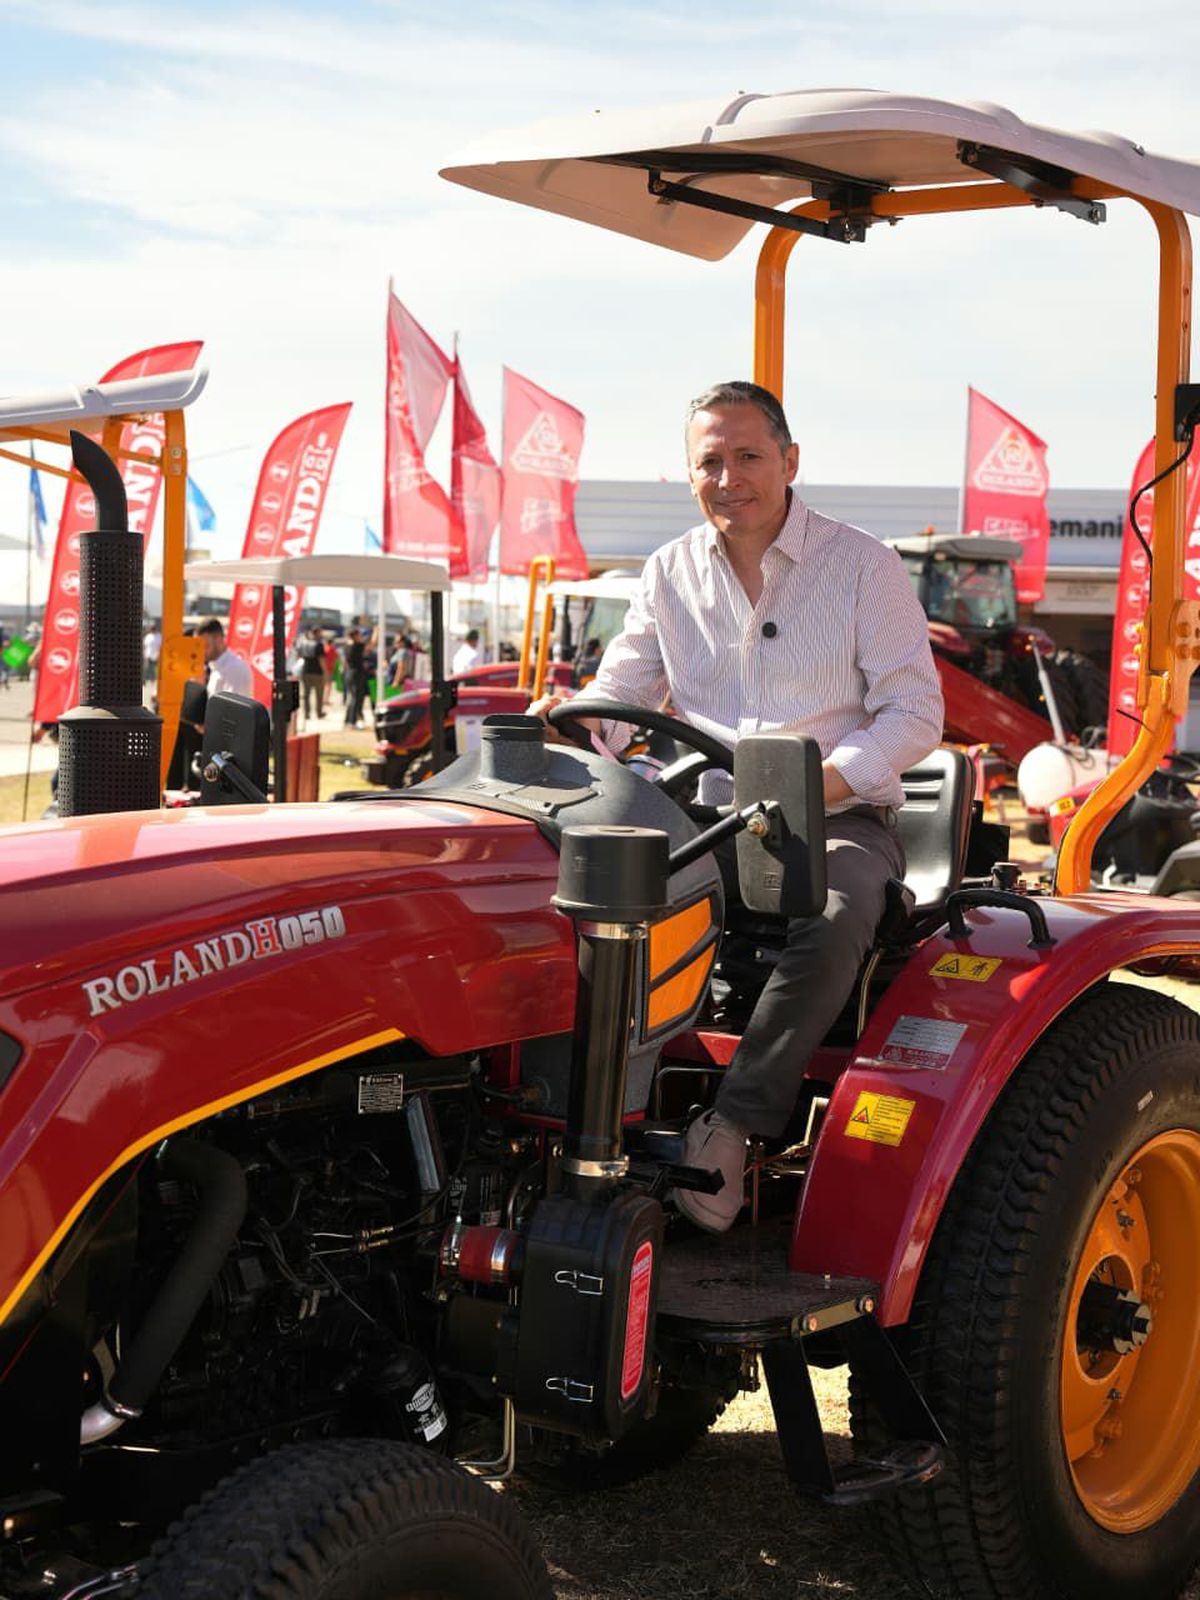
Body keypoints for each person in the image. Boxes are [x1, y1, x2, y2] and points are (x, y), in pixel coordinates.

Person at [531, 380, 943, 1233]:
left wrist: (821, 783)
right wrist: (574, 721)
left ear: (790, 462)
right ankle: (583, 1113)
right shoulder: (669, 570)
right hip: (706, 812)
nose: (730, 478)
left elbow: (915, 714)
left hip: (833, 815)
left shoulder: (862, 566)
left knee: (831, 909)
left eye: (748, 456)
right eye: (709, 462)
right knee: (574, 888)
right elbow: (622, 689)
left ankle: (735, 1123)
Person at [197, 618, 253, 700]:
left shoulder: (234, 668)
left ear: (218, 639)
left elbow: (231, 709)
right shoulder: (216, 667)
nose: (202, 651)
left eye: (206, 645)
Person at [295, 626, 327, 720]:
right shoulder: (319, 645)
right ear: (317, 633)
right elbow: (321, 659)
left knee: (306, 694)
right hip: (317, 672)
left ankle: (306, 714)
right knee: (319, 694)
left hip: (306, 671)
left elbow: (298, 656)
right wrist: (325, 672)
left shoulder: (303, 644)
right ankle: (319, 712)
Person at [343, 627, 366, 727]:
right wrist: (377, 631)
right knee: (356, 698)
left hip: (349, 673)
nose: (360, 637)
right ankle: (352, 721)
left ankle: (348, 720)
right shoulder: (357, 646)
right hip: (357, 673)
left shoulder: (347, 646)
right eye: (359, 635)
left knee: (352, 698)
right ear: (355, 636)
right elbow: (371, 644)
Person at [143, 620, 162, 685]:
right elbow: (145, 646)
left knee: (155, 669)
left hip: (156, 655)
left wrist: (159, 654)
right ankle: (144, 681)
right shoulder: (148, 636)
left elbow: (160, 646)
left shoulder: (159, 636)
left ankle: (154, 681)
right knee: (147, 668)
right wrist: (145, 654)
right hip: (148, 655)